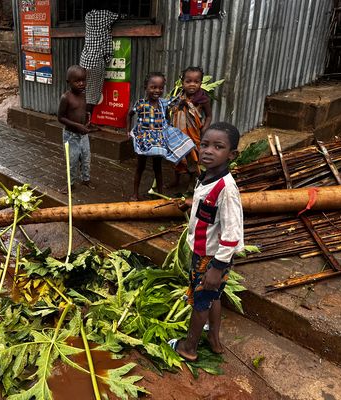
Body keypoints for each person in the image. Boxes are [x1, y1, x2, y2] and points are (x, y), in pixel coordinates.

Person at [169, 122, 244, 362]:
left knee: (200, 300)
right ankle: (214, 339)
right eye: (205, 145)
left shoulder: (226, 189)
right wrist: (192, 205)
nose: (208, 151)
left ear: (231, 155)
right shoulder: (207, 176)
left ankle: (189, 347)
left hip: (211, 258)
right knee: (213, 297)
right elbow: (211, 211)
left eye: (218, 147)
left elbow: (232, 233)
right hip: (206, 253)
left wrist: (218, 267)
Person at [127, 72, 195, 200]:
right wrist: (128, 130)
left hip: (159, 140)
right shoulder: (141, 103)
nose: (157, 90)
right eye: (153, 87)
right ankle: (135, 193)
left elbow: (178, 100)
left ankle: (159, 193)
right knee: (140, 167)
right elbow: (129, 114)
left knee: (157, 167)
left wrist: (185, 87)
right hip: (144, 139)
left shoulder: (163, 103)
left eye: (160, 88)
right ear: (145, 87)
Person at [168, 66, 213, 188]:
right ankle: (176, 180)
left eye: (196, 82)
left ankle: (191, 182)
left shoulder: (203, 99)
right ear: (182, 82)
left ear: (201, 83)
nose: (192, 85)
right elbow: (172, 111)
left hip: (194, 135)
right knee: (177, 157)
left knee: (193, 158)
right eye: (188, 81)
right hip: (178, 134)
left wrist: (204, 130)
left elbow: (209, 116)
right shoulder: (179, 97)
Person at [57, 65, 96, 193]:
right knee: (72, 161)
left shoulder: (84, 96)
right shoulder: (66, 98)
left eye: (83, 80)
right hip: (71, 135)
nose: (81, 84)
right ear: (69, 82)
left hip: (83, 135)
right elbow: (61, 118)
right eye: (77, 81)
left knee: (86, 159)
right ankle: (70, 184)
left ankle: (86, 180)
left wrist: (87, 122)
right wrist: (77, 126)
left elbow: (85, 112)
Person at [79, 5, 120, 117]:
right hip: (96, 62)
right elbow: (119, 16)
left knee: (83, 93)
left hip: (84, 60)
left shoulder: (88, 16)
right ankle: (86, 123)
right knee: (92, 96)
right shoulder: (106, 15)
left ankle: (81, 119)